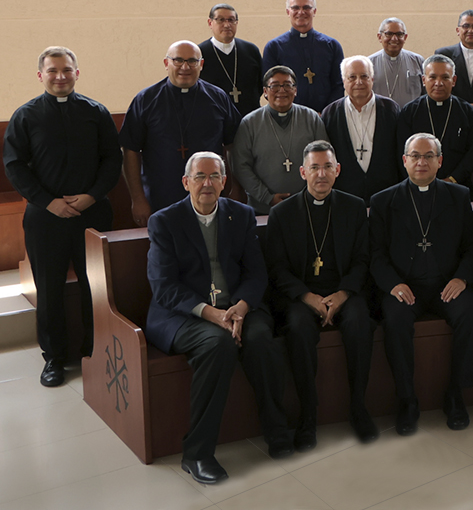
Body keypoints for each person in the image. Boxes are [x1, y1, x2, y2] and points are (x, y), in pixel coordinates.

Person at [144, 152, 292, 483]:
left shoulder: (241, 215)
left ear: (225, 182)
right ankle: (197, 454)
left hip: (236, 308)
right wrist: (212, 314)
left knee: (261, 339)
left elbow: (256, 272)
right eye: (200, 176)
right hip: (183, 315)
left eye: (214, 176)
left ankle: (278, 433)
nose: (207, 183)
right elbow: (164, 287)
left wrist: (242, 306)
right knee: (218, 345)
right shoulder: (165, 221)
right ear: (186, 182)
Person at [4, 47, 121, 387]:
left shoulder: (96, 112)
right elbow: (14, 165)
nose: (60, 76)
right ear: (40, 75)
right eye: (52, 71)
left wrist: (91, 196)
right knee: (49, 289)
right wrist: (48, 202)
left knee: (95, 286)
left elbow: (111, 160)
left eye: (67, 70)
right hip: (45, 217)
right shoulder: (25, 116)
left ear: (77, 73)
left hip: (92, 213)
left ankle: (94, 349)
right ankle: (54, 358)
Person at [264, 141, 377, 448]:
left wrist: (342, 294)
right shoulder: (282, 213)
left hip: (344, 291)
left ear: (337, 170)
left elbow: (362, 259)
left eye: (327, 167)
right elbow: (277, 268)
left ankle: (358, 408)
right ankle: (308, 416)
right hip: (301, 296)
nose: (321, 174)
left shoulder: (354, 207)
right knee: (298, 327)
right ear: (303, 172)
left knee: (360, 322)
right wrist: (307, 297)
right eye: (314, 168)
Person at [370, 133, 473, 434]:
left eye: (429, 156)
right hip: (405, 286)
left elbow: (472, 247)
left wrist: (461, 277)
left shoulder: (458, 196)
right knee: (394, 321)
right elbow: (376, 254)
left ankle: (456, 394)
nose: (422, 162)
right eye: (415, 156)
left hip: (447, 283)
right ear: (404, 160)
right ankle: (407, 400)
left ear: (440, 161)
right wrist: (393, 284)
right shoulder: (383, 201)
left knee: (470, 316)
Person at [119, 40, 239, 226]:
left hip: (209, 195)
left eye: (192, 61)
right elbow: (130, 151)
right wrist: (138, 198)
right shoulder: (146, 100)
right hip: (160, 196)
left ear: (201, 64)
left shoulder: (218, 97)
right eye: (178, 60)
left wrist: (236, 188)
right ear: (166, 63)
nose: (185, 67)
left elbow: (233, 146)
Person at [231, 66, 328, 214]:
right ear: (265, 92)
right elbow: (240, 166)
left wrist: (310, 194)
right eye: (275, 86)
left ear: (295, 90)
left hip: (307, 206)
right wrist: (267, 197)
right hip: (263, 208)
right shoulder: (249, 123)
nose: (281, 90)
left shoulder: (311, 118)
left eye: (287, 85)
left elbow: (325, 160)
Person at [320, 56, 401, 204]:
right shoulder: (330, 113)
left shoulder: (391, 109)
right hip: (344, 197)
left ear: (372, 79)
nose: (359, 82)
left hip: (386, 195)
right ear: (343, 81)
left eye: (364, 76)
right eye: (352, 77)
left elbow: (399, 152)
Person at [395, 54, 473, 187]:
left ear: (454, 80)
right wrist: (419, 180)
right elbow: (402, 152)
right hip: (416, 185)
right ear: (424, 80)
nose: (438, 83)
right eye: (433, 77)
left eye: (445, 77)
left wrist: (453, 179)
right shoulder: (410, 112)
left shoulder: (466, 111)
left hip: (458, 185)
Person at [261, 0, 344, 112]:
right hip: (289, 116)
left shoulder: (332, 45)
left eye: (306, 7)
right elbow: (270, 88)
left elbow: (339, 85)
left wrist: (326, 113)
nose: (301, 12)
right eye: (295, 8)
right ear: (288, 12)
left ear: (314, 11)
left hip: (326, 116)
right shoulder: (274, 47)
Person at [198, 3, 263, 118]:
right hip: (214, 118)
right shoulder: (199, 53)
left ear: (236, 23)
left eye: (231, 20)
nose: (227, 24)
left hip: (250, 118)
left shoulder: (251, 50)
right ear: (210, 23)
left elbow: (260, 84)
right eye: (221, 20)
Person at [368, 17, 426, 108]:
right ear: (379, 37)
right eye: (389, 34)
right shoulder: (369, 63)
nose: (394, 38)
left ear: (405, 37)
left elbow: (425, 94)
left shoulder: (418, 61)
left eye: (399, 34)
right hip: (380, 115)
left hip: (412, 115)